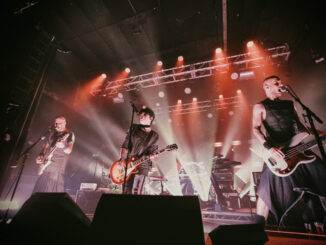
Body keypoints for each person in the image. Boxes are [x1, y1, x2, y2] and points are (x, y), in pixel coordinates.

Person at [252, 75, 326, 227]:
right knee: (266, 191)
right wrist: (269, 147)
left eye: (280, 81)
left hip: (299, 150)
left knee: (322, 177)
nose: (281, 84)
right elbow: (255, 128)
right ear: (267, 87)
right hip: (278, 153)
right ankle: (257, 228)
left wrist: (320, 135)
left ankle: (321, 222)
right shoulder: (260, 107)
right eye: (276, 83)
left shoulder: (290, 103)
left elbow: (300, 127)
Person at [119, 107, 159, 194]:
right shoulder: (133, 128)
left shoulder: (154, 135)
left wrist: (153, 157)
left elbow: (154, 156)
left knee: (137, 192)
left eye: (144, 114)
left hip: (143, 166)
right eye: (141, 114)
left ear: (151, 118)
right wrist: (121, 160)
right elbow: (125, 145)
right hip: (128, 163)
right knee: (126, 191)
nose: (141, 115)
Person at [32, 116, 75, 193]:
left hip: (56, 168)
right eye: (56, 123)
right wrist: (41, 155)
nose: (57, 125)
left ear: (65, 123)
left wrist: (63, 146)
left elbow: (69, 150)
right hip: (45, 166)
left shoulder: (69, 134)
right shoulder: (52, 134)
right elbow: (46, 147)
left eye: (60, 123)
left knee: (51, 192)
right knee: (39, 191)